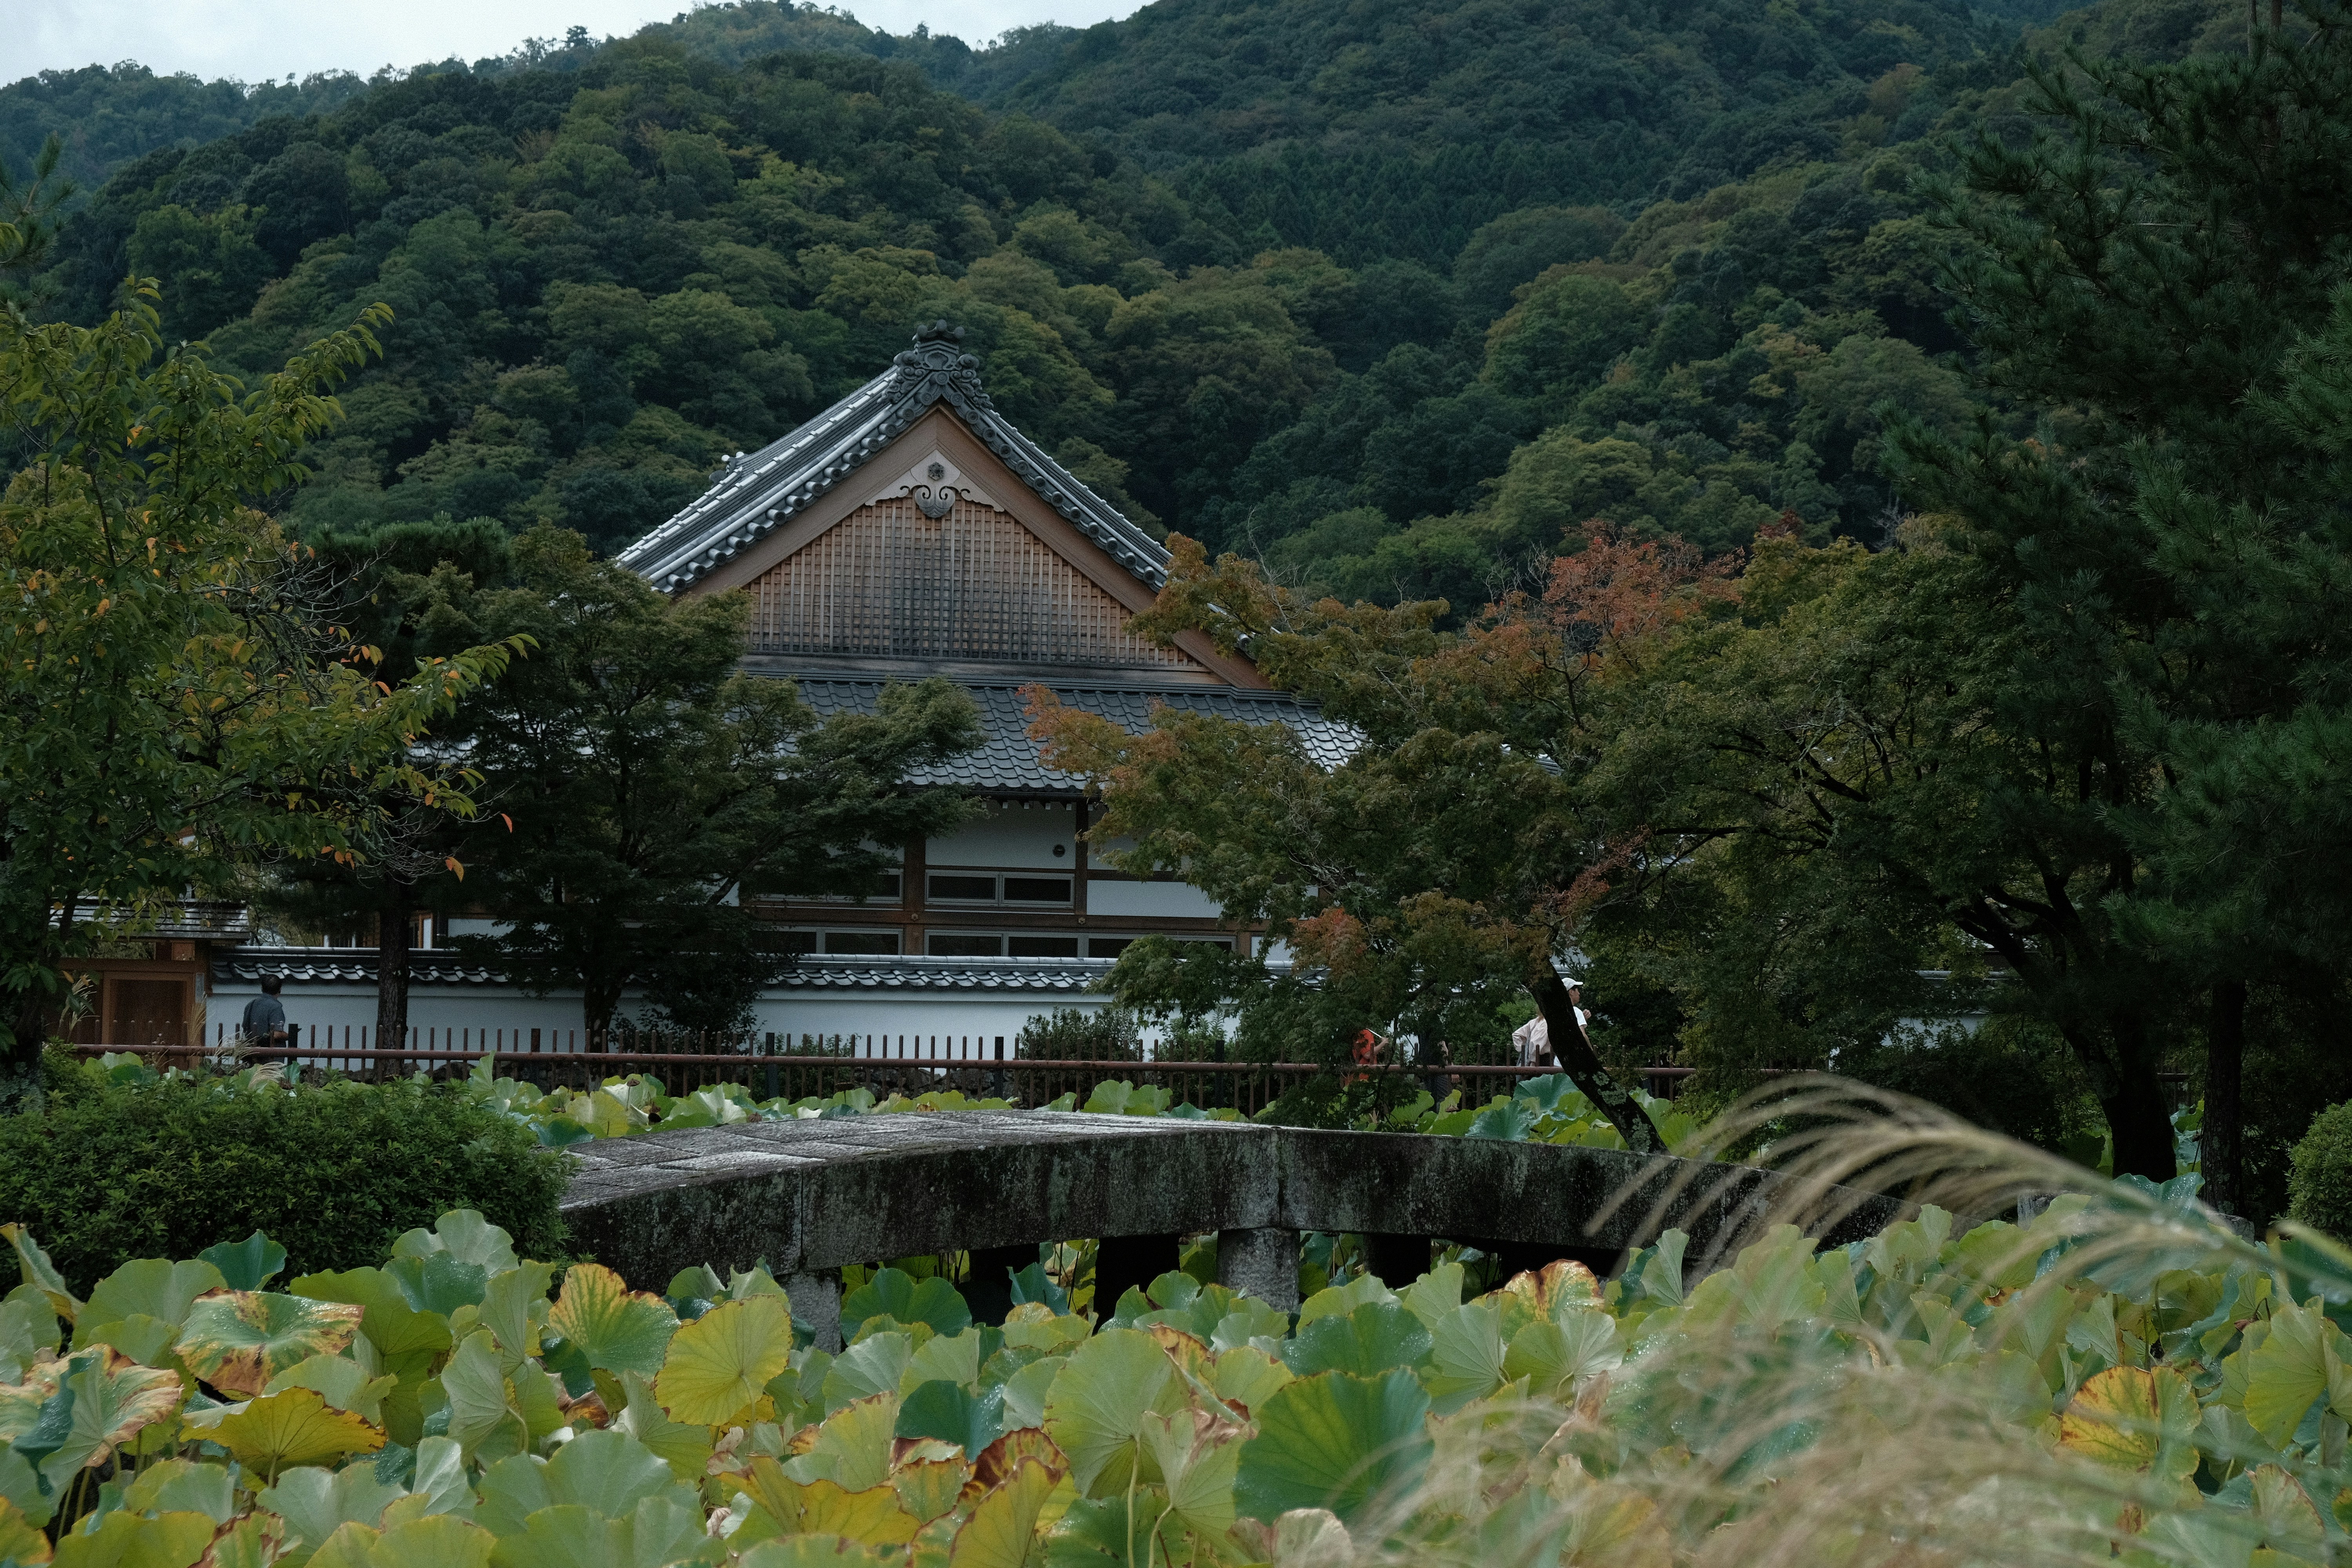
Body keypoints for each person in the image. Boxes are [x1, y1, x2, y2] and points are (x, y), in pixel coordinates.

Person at [240, 975, 290, 1049]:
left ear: (262, 988)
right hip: (270, 1053)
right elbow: (276, 1034)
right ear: (280, 989)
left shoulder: (251, 1004)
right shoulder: (275, 1007)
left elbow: (245, 1028)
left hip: (250, 1050)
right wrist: (289, 1036)